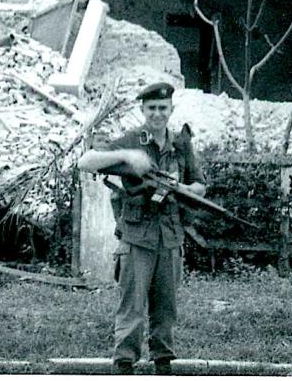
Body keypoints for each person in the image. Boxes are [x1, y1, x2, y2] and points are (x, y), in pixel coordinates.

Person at [78, 82, 206, 376]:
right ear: (143, 110)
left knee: (166, 307)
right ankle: (124, 364)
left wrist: (182, 188)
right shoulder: (133, 140)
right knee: (132, 307)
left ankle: (163, 362)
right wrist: (125, 157)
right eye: (152, 109)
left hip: (170, 237)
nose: (157, 114)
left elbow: (200, 184)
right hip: (137, 237)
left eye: (163, 108)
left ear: (171, 109)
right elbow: (85, 162)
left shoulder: (181, 144)